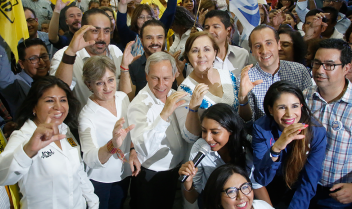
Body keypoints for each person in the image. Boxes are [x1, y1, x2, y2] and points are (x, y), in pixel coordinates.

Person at [0, 76, 99, 208]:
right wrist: (28, 151)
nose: (58, 107)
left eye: (63, 100)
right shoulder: (24, 137)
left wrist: (92, 201)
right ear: (34, 107)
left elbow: (78, 171)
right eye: (50, 100)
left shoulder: (64, 130)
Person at [127, 51, 192, 209]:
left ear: (175, 74)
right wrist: (164, 114)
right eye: (155, 78)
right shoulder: (138, 105)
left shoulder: (176, 96)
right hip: (151, 176)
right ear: (146, 75)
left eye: (166, 78)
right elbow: (143, 148)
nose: (161, 85)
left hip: (174, 172)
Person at [179, 104, 272, 208]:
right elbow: (192, 198)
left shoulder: (246, 147)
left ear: (231, 131)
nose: (208, 138)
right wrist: (188, 182)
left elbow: (257, 185)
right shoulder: (200, 148)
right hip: (211, 201)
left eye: (215, 132)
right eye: (204, 131)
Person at [252, 81, 327, 208]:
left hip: (300, 191)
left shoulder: (316, 131)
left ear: (302, 106)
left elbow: (309, 180)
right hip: (271, 189)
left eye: (294, 106)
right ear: (270, 109)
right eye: (282, 107)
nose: (289, 114)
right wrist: (276, 148)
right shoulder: (261, 128)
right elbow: (262, 179)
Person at [79, 56, 140, 209]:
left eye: (111, 80)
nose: (107, 88)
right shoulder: (86, 116)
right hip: (99, 180)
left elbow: (131, 130)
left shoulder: (122, 98)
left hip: (123, 173)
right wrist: (112, 144)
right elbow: (89, 158)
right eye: (100, 83)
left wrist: (132, 150)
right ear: (89, 85)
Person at [176, 32, 257, 142]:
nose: (201, 55)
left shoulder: (228, 75)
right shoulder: (184, 90)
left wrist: (243, 99)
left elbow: (246, 121)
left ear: (215, 52)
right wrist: (193, 109)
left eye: (206, 49)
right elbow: (190, 138)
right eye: (195, 51)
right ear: (188, 56)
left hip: (237, 147)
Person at [304, 39, 352, 208]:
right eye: (316, 63)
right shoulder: (303, 98)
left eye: (329, 65)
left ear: (347, 68)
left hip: (338, 193)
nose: (319, 70)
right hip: (304, 185)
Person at [50, 9, 131, 107]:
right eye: (95, 31)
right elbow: (58, 91)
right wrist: (70, 53)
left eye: (106, 31)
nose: (101, 37)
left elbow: (125, 95)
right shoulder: (64, 55)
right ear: (83, 32)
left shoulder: (115, 52)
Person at [241, 24, 312, 121]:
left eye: (269, 43)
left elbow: (309, 109)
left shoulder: (299, 71)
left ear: (278, 44)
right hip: (264, 133)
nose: (264, 51)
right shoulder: (247, 78)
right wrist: (243, 99)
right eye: (258, 46)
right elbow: (248, 123)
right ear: (252, 51)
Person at [0, 36, 50, 118]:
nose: (41, 62)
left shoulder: (54, 80)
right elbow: (0, 74)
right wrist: (3, 35)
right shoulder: (15, 84)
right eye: (33, 59)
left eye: (44, 56)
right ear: (21, 63)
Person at [203, 164, 274, 209]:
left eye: (245, 187)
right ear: (217, 198)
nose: (241, 197)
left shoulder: (261, 205)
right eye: (231, 191)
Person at [203, 10, 249, 75]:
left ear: (228, 30)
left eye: (216, 27)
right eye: (207, 28)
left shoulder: (242, 55)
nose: (210, 31)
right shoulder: (200, 58)